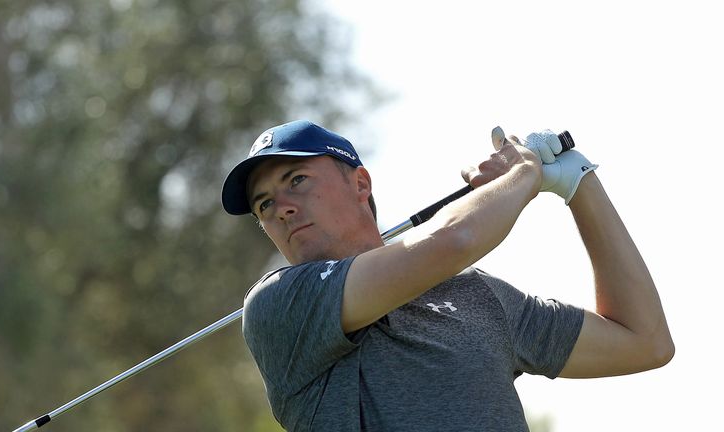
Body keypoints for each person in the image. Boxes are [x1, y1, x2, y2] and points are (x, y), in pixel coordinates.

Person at [221, 120, 674, 431]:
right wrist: (523, 175)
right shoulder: (278, 304)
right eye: (264, 204)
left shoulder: (476, 294)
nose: (281, 208)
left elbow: (644, 341)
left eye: (296, 179)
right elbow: (452, 241)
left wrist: (577, 181)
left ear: (360, 184)